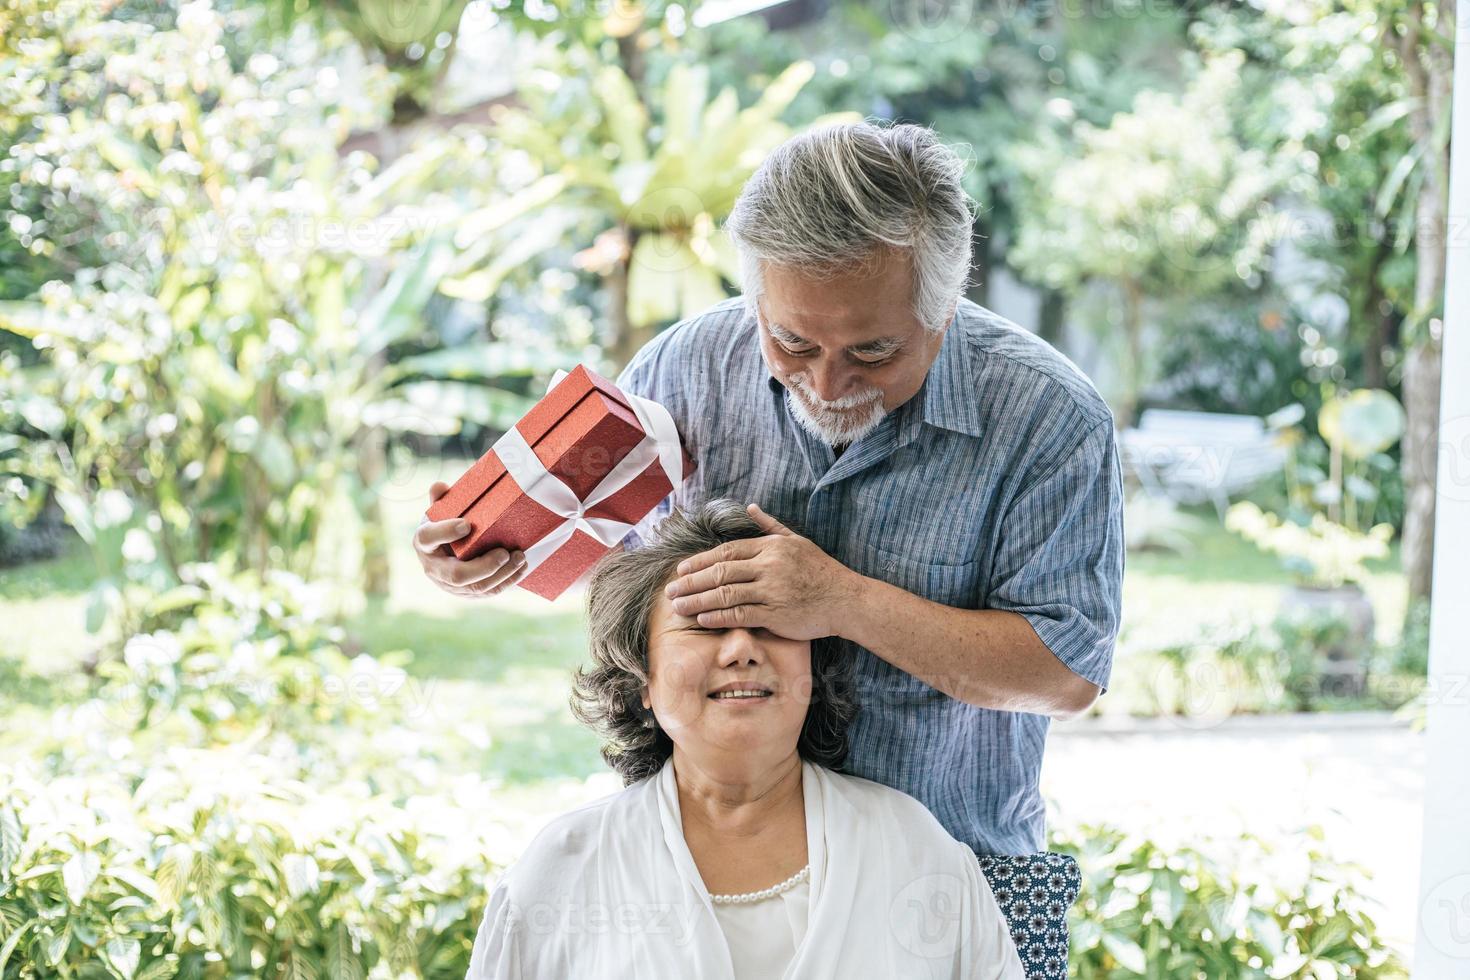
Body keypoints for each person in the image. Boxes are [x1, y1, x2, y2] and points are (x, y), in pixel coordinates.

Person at [418, 119, 1124, 975]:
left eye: (873, 350)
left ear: (944, 311)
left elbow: (1065, 672)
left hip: (957, 874)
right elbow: (619, 579)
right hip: (701, 863)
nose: (828, 384)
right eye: (793, 342)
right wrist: (490, 552)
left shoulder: (1048, 418)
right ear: (757, 297)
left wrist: (842, 601)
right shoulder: (679, 373)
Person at [465, 500, 1025, 979]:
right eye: (703, 625)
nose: (741, 650)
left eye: (770, 624)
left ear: (814, 667)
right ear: (641, 681)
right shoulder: (565, 866)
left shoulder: (911, 845)